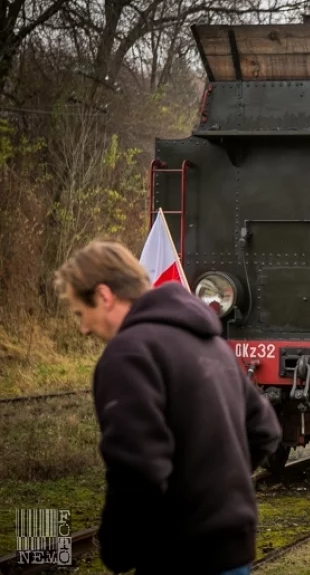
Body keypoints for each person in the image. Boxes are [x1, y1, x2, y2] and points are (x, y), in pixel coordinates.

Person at [53, 240, 282, 575]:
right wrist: (213, 491)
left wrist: (118, 550)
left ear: (104, 295)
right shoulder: (210, 342)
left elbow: (137, 467)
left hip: (177, 556)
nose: (84, 328)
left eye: (80, 313)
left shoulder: (129, 355)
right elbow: (264, 430)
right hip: (233, 549)